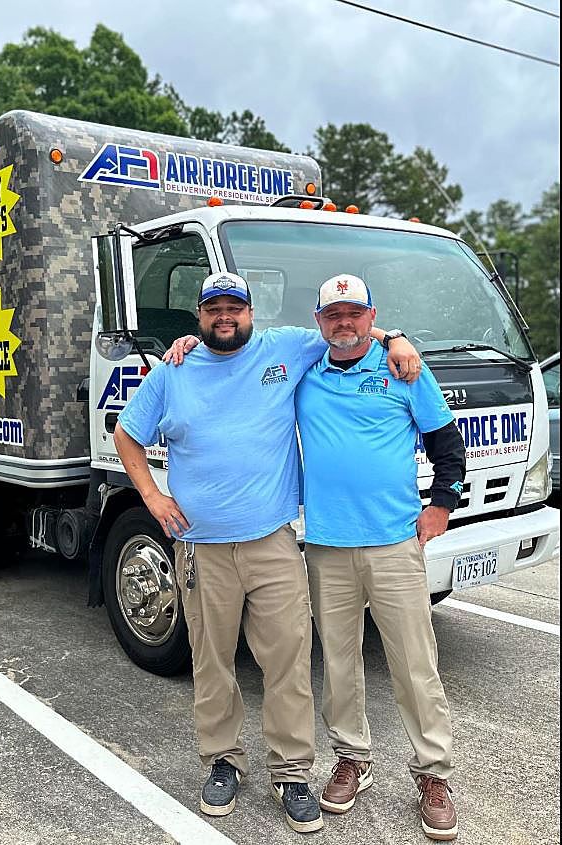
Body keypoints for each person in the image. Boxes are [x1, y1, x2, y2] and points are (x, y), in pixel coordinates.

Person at [113, 271, 421, 835]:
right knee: (212, 661)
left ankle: (291, 772)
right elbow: (127, 434)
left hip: (274, 543)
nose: (223, 317)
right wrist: (152, 495)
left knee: (288, 662)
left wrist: (395, 337)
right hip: (201, 546)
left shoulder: (285, 348)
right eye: (212, 310)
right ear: (198, 318)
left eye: (234, 307)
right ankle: (223, 762)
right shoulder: (172, 372)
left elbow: (347, 331)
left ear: (251, 313)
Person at [296, 274, 466, 842]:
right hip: (327, 545)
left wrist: (442, 504)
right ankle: (352, 759)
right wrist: (189, 343)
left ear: (372, 317)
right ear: (319, 322)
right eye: (333, 314)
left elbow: (446, 441)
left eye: (355, 313)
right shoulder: (305, 372)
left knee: (415, 664)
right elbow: (240, 346)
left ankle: (433, 774)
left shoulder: (402, 368)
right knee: (339, 662)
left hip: (394, 543)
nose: (344, 323)